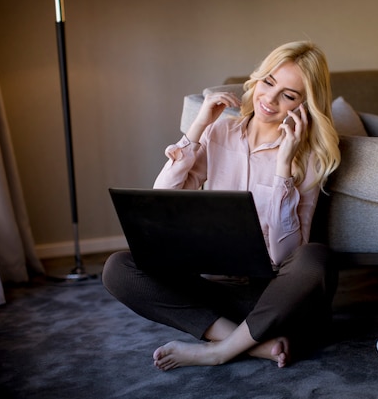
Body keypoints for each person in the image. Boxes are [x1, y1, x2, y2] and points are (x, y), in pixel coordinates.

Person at [102, 40, 341, 371]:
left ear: (304, 105)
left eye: (288, 95)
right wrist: (197, 128)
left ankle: (218, 351)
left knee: (315, 259)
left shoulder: (309, 156)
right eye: (269, 82)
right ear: (257, 79)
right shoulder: (220, 131)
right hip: (219, 293)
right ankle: (248, 344)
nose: (270, 99)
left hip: (276, 299)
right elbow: (162, 202)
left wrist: (284, 167)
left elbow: (285, 256)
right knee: (119, 268)